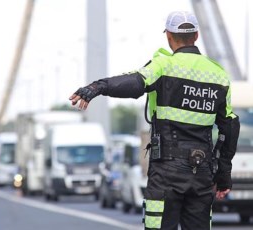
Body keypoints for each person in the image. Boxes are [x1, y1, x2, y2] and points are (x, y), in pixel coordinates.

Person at [69, 11, 240, 230]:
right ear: (196, 35)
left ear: (169, 36)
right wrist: (223, 176)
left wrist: (96, 87)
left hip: (167, 172)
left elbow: (133, 83)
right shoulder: (219, 76)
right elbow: (230, 129)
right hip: (202, 172)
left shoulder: (163, 65)